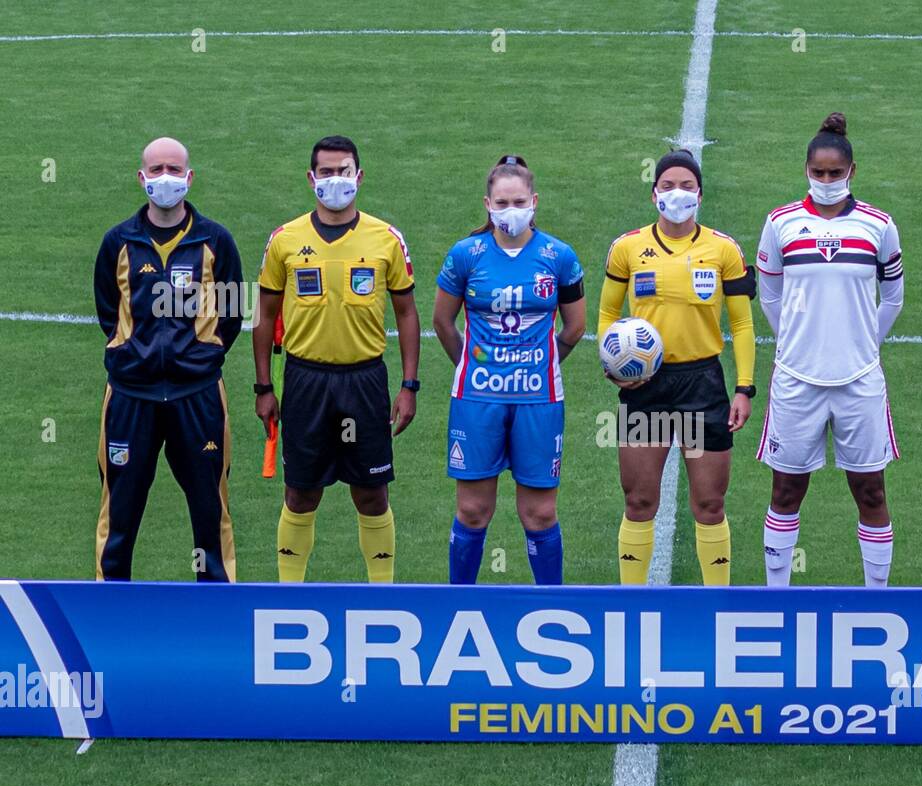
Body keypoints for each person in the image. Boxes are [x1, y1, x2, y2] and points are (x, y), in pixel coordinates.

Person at [255, 135, 421, 583]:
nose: (335, 180)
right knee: (300, 493)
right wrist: (264, 387)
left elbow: (406, 312)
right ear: (311, 179)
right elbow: (264, 313)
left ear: (359, 177)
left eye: (343, 171)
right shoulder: (285, 239)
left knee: (372, 493)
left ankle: (382, 596)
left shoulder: (386, 238)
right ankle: (289, 595)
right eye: (326, 172)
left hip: (365, 381)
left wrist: (409, 386)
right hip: (305, 381)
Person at [756, 112, 905, 588]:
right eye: (817, 173)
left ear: (851, 172)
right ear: (805, 170)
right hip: (796, 379)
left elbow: (895, 297)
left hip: (860, 380)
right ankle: (777, 600)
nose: (825, 181)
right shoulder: (780, 223)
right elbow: (771, 295)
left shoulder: (878, 226)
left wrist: (862, 344)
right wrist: (796, 342)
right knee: (786, 489)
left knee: (871, 490)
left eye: (834, 173)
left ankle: (876, 601)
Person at [598, 149, 757, 585]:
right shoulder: (627, 248)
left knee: (709, 504)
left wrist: (744, 388)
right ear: (654, 195)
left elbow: (741, 323)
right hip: (643, 387)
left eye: (686, 186)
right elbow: (607, 316)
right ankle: (633, 602)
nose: (677, 193)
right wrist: (612, 365)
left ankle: (715, 602)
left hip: (703, 384)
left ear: (700, 194)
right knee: (639, 502)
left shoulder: (723, 249)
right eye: (668, 185)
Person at [92, 136, 242, 581]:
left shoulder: (215, 240)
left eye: (174, 170)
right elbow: (108, 311)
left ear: (189, 178)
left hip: (197, 396)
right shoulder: (117, 241)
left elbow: (231, 314)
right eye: (156, 170)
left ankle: (217, 609)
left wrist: (199, 356)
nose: (165, 178)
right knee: (118, 514)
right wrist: (132, 355)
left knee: (210, 513)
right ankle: (107, 608)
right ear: (141, 178)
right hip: (129, 397)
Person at [431, 155, 586, 584]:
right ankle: (459, 603)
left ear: (534, 201)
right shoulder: (466, 254)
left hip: (539, 398)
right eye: (502, 202)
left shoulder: (559, 256)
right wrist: (474, 363)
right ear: (488, 203)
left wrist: (539, 362)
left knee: (539, 513)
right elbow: (443, 322)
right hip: (477, 398)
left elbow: (575, 328)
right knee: (473, 511)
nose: (510, 209)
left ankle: (551, 605)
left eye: (518, 200)